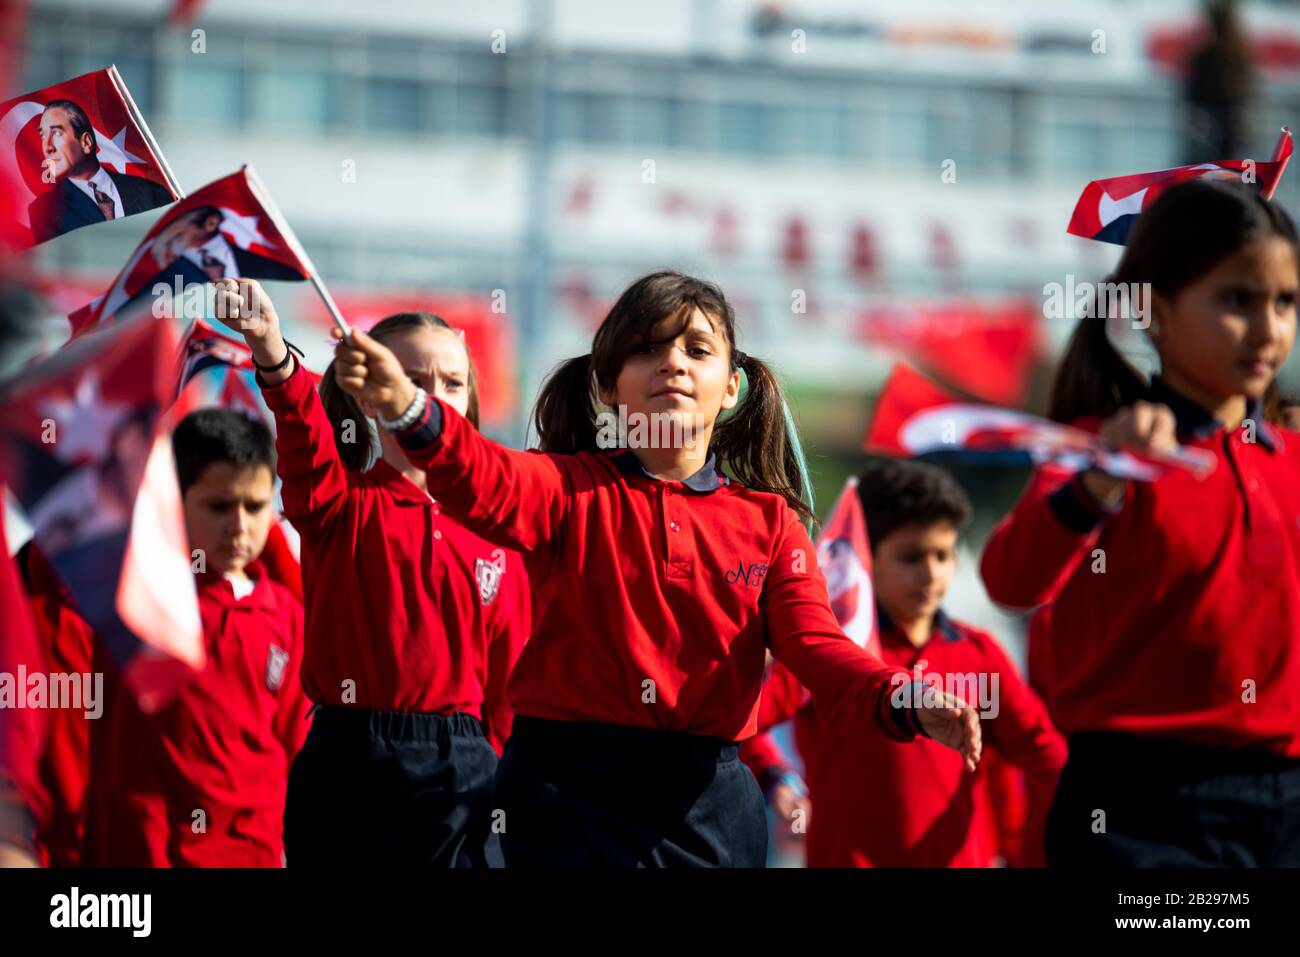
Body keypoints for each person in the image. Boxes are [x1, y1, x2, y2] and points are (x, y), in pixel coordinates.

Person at [301, 268, 982, 867]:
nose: (674, 364)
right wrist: (410, 408)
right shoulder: (564, 488)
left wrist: (902, 697)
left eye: (696, 349)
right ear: (607, 383)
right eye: (648, 349)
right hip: (565, 800)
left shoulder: (771, 523)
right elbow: (480, 474)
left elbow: (820, 648)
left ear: (733, 387)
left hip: (709, 808)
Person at [981, 178, 1300, 867]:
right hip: (1140, 816)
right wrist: (1101, 479)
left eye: (1285, 301)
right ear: (1153, 311)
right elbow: (1012, 578)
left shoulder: (1291, 457)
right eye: (1236, 300)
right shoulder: (1100, 449)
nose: (1269, 328)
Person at [213, 279, 530, 867]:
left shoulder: (498, 527)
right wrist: (273, 354)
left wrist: (507, 787)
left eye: (453, 383)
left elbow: (510, 691)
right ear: (367, 393)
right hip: (350, 760)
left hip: (465, 775)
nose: (434, 396)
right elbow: (305, 437)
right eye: (412, 379)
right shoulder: (338, 502)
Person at [783, 461, 1065, 867]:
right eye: (911, 557)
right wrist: (777, 776)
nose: (931, 573)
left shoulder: (979, 655)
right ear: (866, 554)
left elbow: (1047, 754)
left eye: (943, 555)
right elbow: (747, 720)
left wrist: (1034, 852)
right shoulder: (829, 656)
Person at [81, 409, 311, 866]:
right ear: (176, 501)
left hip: (253, 852)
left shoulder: (286, 616)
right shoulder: (145, 607)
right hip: (156, 853)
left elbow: (295, 747)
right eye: (219, 506)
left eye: (255, 506)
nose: (240, 526)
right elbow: (120, 753)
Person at [26, 99, 173, 244]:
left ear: (86, 142)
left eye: (56, 133)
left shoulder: (152, 191)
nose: (47, 147)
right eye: (43, 135)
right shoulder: (45, 211)